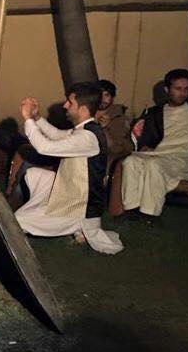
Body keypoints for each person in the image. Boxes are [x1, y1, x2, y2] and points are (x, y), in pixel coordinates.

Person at [14, 82, 123, 254]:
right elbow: (57, 136)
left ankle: (77, 226)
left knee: (17, 222)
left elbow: (45, 147)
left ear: (83, 109)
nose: (65, 105)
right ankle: (48, 213)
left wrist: (27, 119)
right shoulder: (86, 129)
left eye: (70, 102)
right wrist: (36, 118)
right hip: (72, 191)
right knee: (34, 174)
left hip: (80, 207)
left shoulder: (88, 137)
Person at [121, 69, 188, 218]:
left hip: (184, 159)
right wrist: (145, 146)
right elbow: (147, 139)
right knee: (131, 161)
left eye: (186, 89)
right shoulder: (155, 113)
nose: (183, 93)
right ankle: (131, 209)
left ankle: (149, 214)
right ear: (166, 90)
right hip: (160, 154)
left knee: (154, 166)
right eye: (178, 89)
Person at [95, 79, 133, 167]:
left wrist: (104, 129)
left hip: (109, 159)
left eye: (106, 95)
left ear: (112, 97)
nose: (102, 99)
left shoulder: (119, 118)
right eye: (99, 95)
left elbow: (116, 148)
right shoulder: (87, 113)